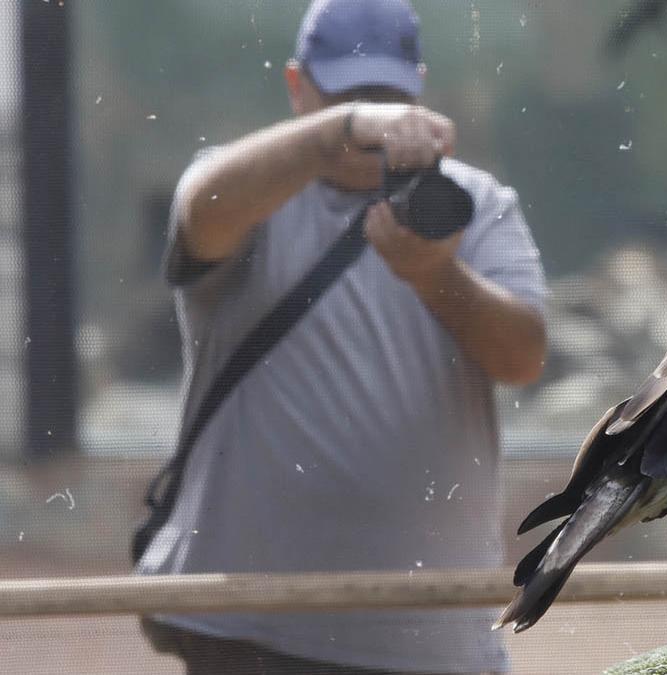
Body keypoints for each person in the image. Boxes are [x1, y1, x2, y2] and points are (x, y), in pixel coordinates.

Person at [134, 1, 547, 673]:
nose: (370, 117)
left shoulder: (475, 202)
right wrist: (338, 134)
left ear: (417, 90)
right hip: (251, 629)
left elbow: (522, 355)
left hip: (432, 638)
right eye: (348, 94)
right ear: (299, 88)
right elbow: (200, 212)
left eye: (385, 96)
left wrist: (436, 275)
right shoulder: (250, 188)